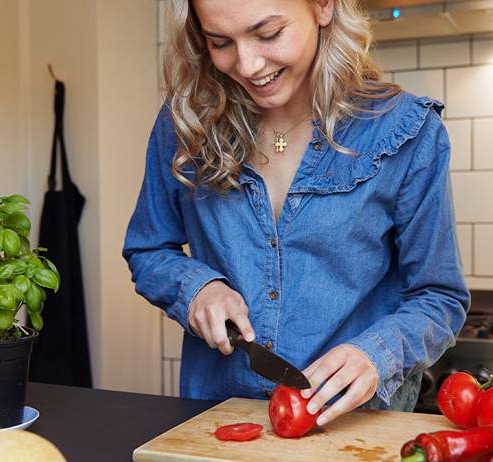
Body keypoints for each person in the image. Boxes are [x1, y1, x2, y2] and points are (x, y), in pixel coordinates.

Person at [123, 0, 469, 428]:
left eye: (268, 33)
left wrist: (377, 354)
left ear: (323, 7)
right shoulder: (185, 125)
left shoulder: (405, 131)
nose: (248, 65)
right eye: (221, 42)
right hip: (217, 420)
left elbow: (439, 297)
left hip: (355, 429)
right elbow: (148, 247)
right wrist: (197, 288)